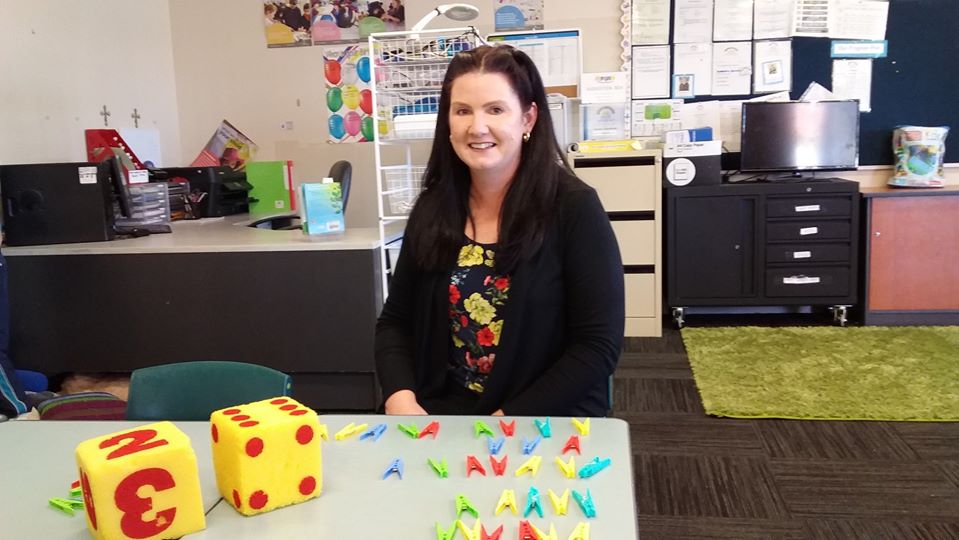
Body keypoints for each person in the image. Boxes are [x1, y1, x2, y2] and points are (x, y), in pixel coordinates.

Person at [375, 45, 624, 417]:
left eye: (495, 110)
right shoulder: (433, 207)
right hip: (444, 409)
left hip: (542, 414)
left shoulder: (573, 207)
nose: (477, 127)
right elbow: (395, 322)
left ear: (527, 118)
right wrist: (401, 398)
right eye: (462, 111)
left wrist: (507, 421)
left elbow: (596, 346)